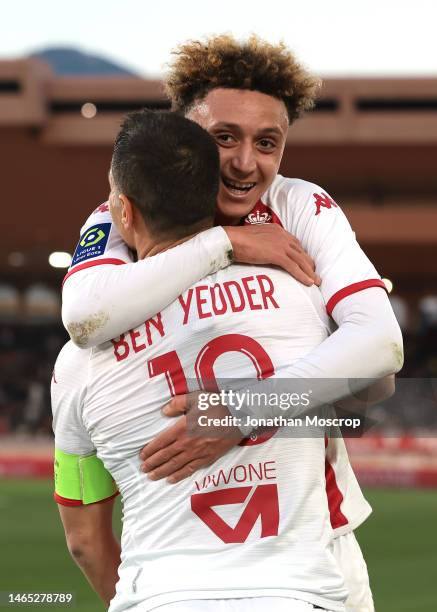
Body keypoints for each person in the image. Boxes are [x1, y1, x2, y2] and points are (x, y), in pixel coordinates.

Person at [60, 35, 403, 611]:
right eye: (225, 138)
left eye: (267, 143)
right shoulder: (121, 209)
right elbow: (83, 317)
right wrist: (226, 243)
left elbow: (380, 346)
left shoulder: (300, 205)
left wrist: (243, 411)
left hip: (321, 539)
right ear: (186, 136)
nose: (247, 163)